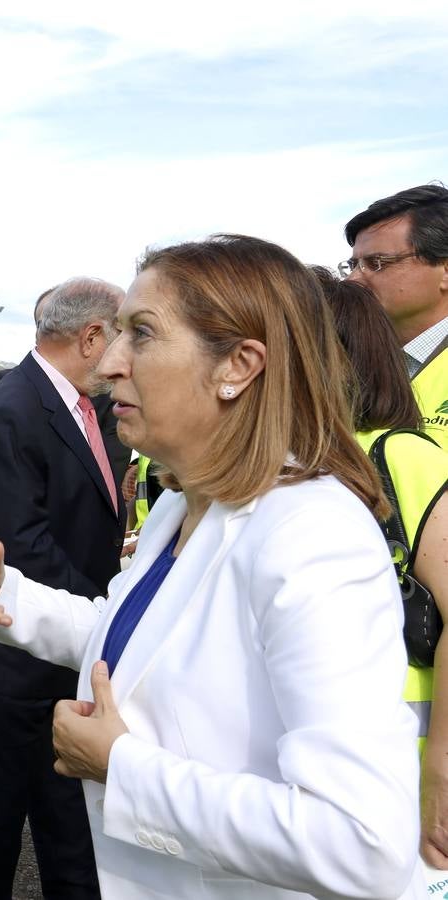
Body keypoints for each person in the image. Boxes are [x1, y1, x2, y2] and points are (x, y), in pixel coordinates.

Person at [0, 234, 421, 898]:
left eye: (140, 334)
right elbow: (154, 649)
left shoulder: (310, 535)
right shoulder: (181, 505)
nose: (110, 362)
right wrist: (14, 604)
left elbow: (360, 842)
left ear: (237, 367)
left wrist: (123, 769)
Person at [0, 276, 125, 899]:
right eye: (125, 335)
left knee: (66, 831)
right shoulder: (12, 409)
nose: (126, 355)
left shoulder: (78, 404)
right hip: (8, 666)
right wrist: (111, 616)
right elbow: (24, 547)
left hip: (55, 652)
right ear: (92, 335)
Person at [315, 266, 448, 870]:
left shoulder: (399, 453)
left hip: (407, 763)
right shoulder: (308, 462)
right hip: (333, 757)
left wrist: (441, 766)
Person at [343, 184, 448, 442]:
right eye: (353, 265)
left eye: (377, 263)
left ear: (445, 271)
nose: (353, 280)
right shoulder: (343, 360)